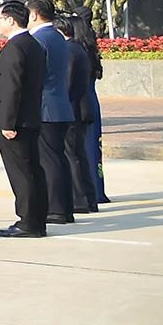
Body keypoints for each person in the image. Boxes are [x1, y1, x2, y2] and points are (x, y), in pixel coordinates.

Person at [0, 0, 48, 239]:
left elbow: (12, 87)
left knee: (21, 172)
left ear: (11, 20)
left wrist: (8, 123)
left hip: (15, 120)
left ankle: (27, 222)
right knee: (33, 169)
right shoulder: (33, 44)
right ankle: (36, 219)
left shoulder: (15, 47)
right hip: (30, 117)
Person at [25, 0, 75, 224]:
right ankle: (65, 207)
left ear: (34, 15)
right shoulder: (57, 37)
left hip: (45, 107)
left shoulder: (38, 39)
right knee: (59, 158)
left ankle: (55, 209)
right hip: (60, 105)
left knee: (49, 160)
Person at [58, 16, 100, 215]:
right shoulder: (80, 49)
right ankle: (90, 198)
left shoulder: (69, 50)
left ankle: (81, 200)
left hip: (73, 110)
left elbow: (66, 84)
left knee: (72, 155)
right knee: (79, 155)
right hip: (82, 109)